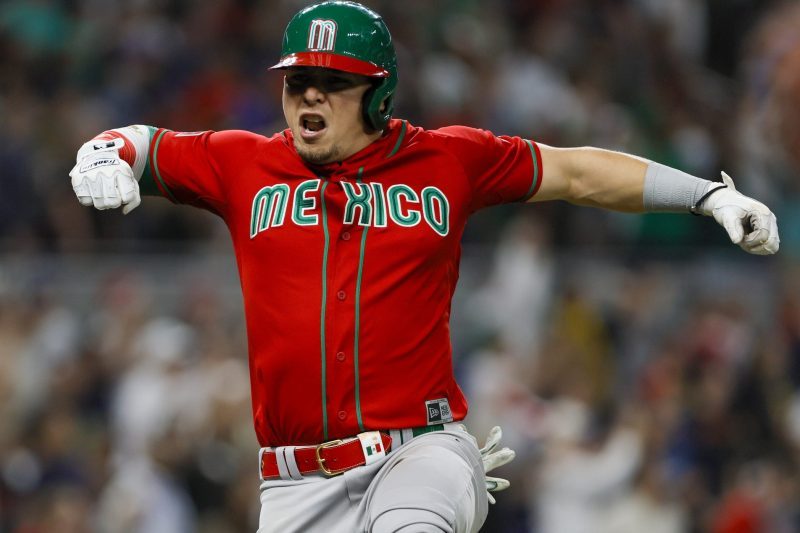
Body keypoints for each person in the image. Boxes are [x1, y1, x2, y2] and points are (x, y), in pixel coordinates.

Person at [68, 2, 779, 532]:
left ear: (379, 94)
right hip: (292, 486)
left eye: (333, 82)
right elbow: (140, 142)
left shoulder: (447, 159)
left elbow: (576, 172)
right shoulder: (241, 162)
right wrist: (102, 154)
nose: (309, 95)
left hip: (417, 454)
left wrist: (706, 195)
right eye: (298, 79)